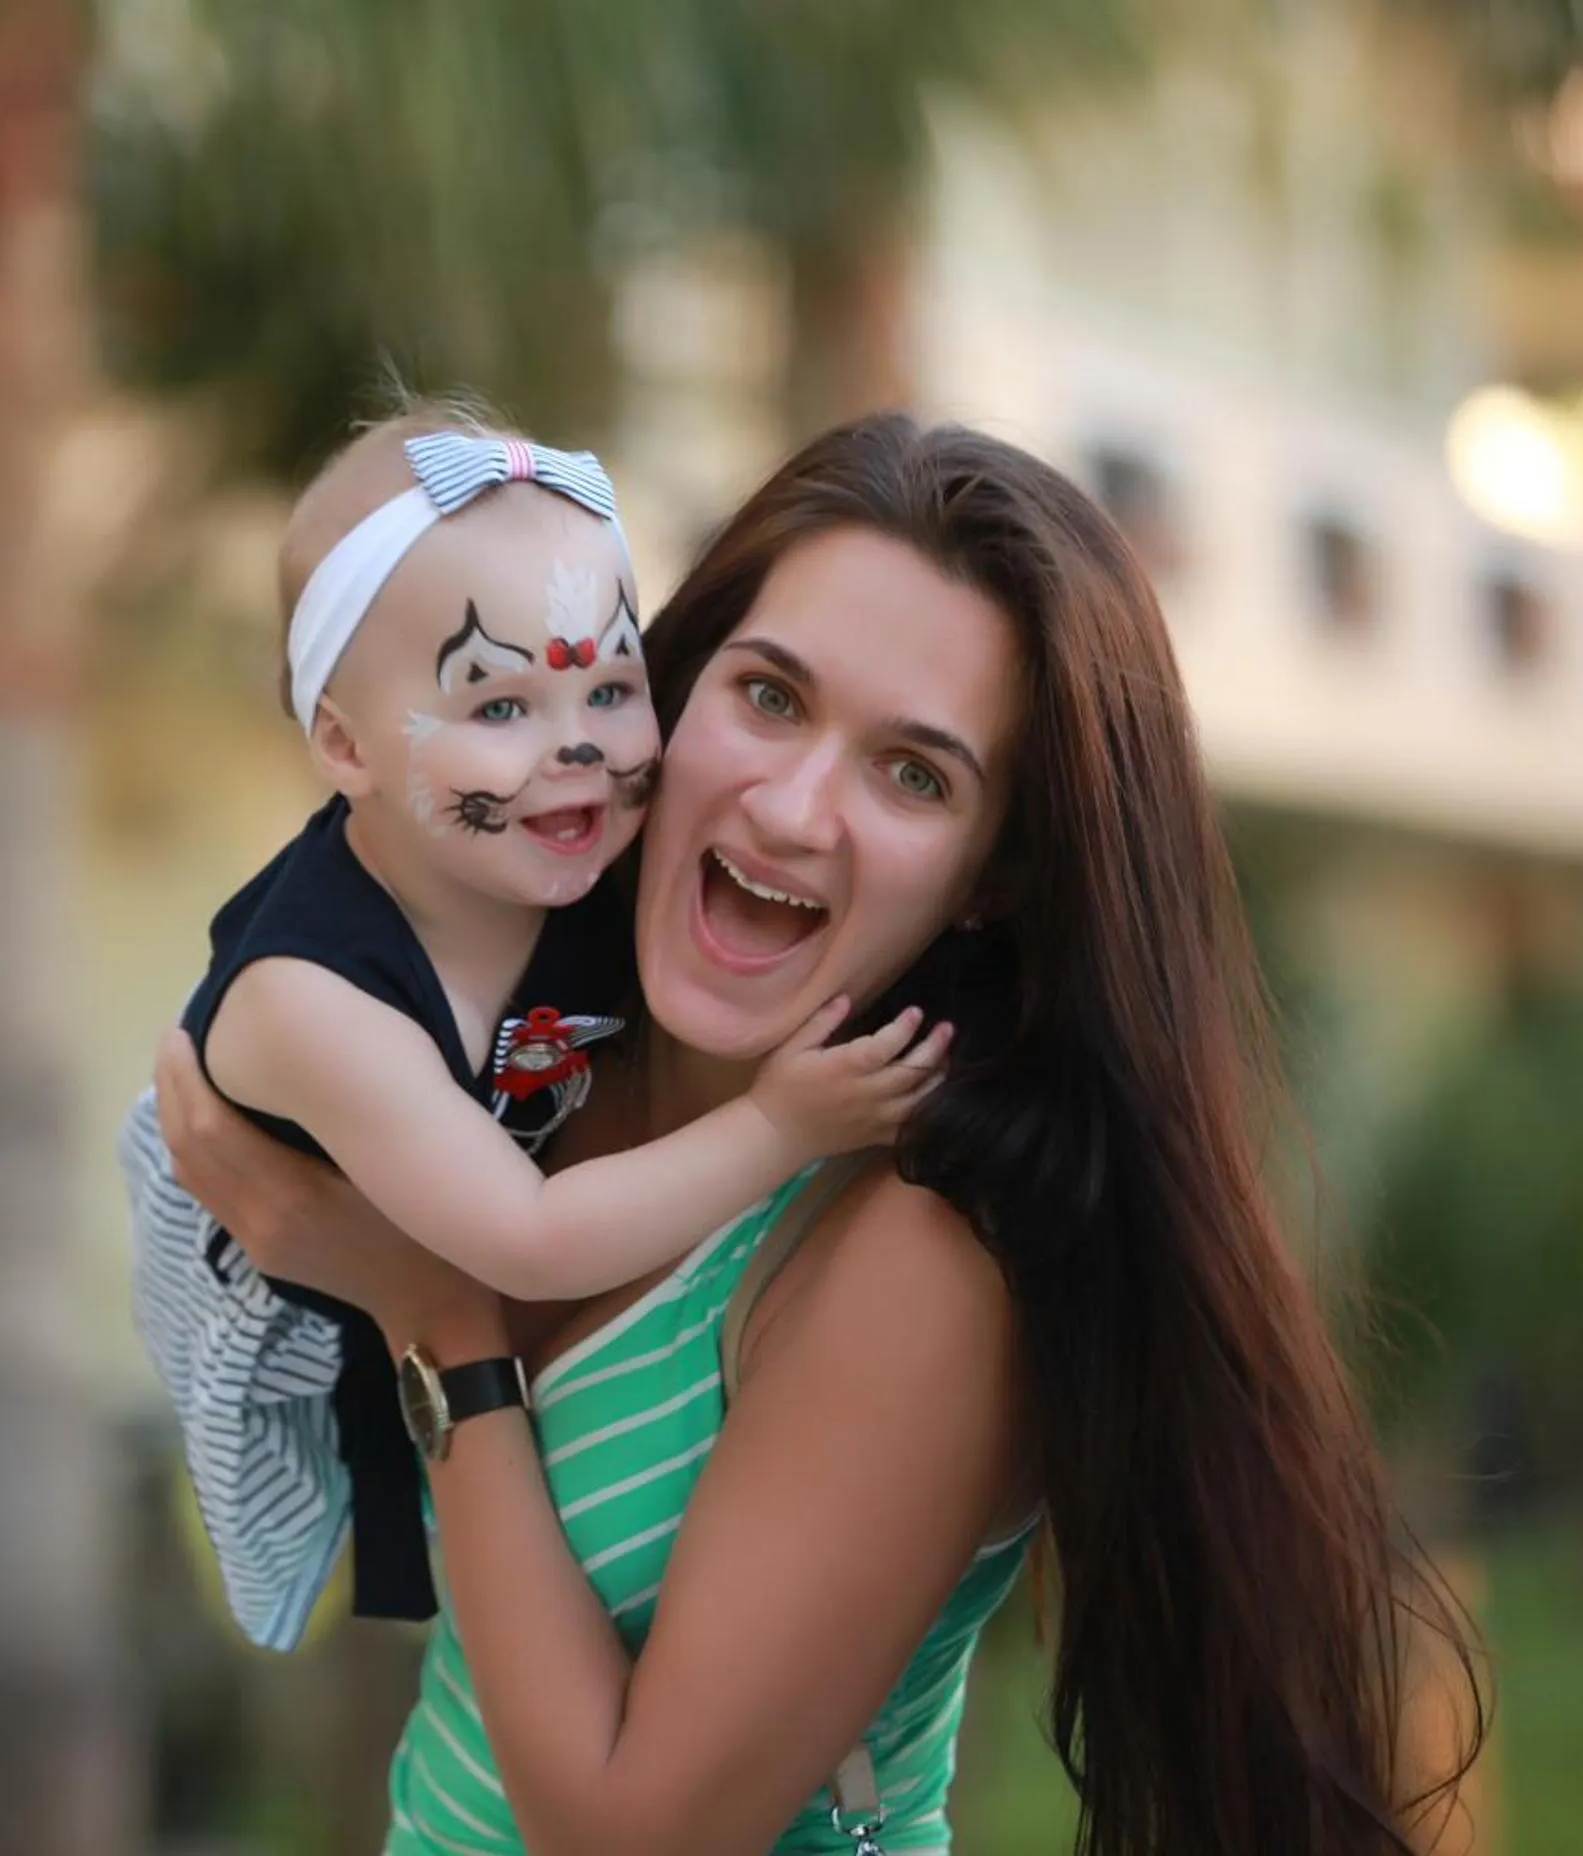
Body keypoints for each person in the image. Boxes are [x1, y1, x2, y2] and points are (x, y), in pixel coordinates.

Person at [155, 413, 1484, 1853]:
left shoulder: (920, 1261)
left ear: (993, 877)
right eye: (771, 695)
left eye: (915, 775)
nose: (792, 810)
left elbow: (629, 1838)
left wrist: (439, 1324)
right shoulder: (543, 1054)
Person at [122, 410, 948, 1655]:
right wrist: (781, 1123)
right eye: (499, 702)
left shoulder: (577, 847)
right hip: (288, 1301)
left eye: (610, 686)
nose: (576, 747)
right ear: (344, 743)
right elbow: (531, 1235)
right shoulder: (310, 1001)